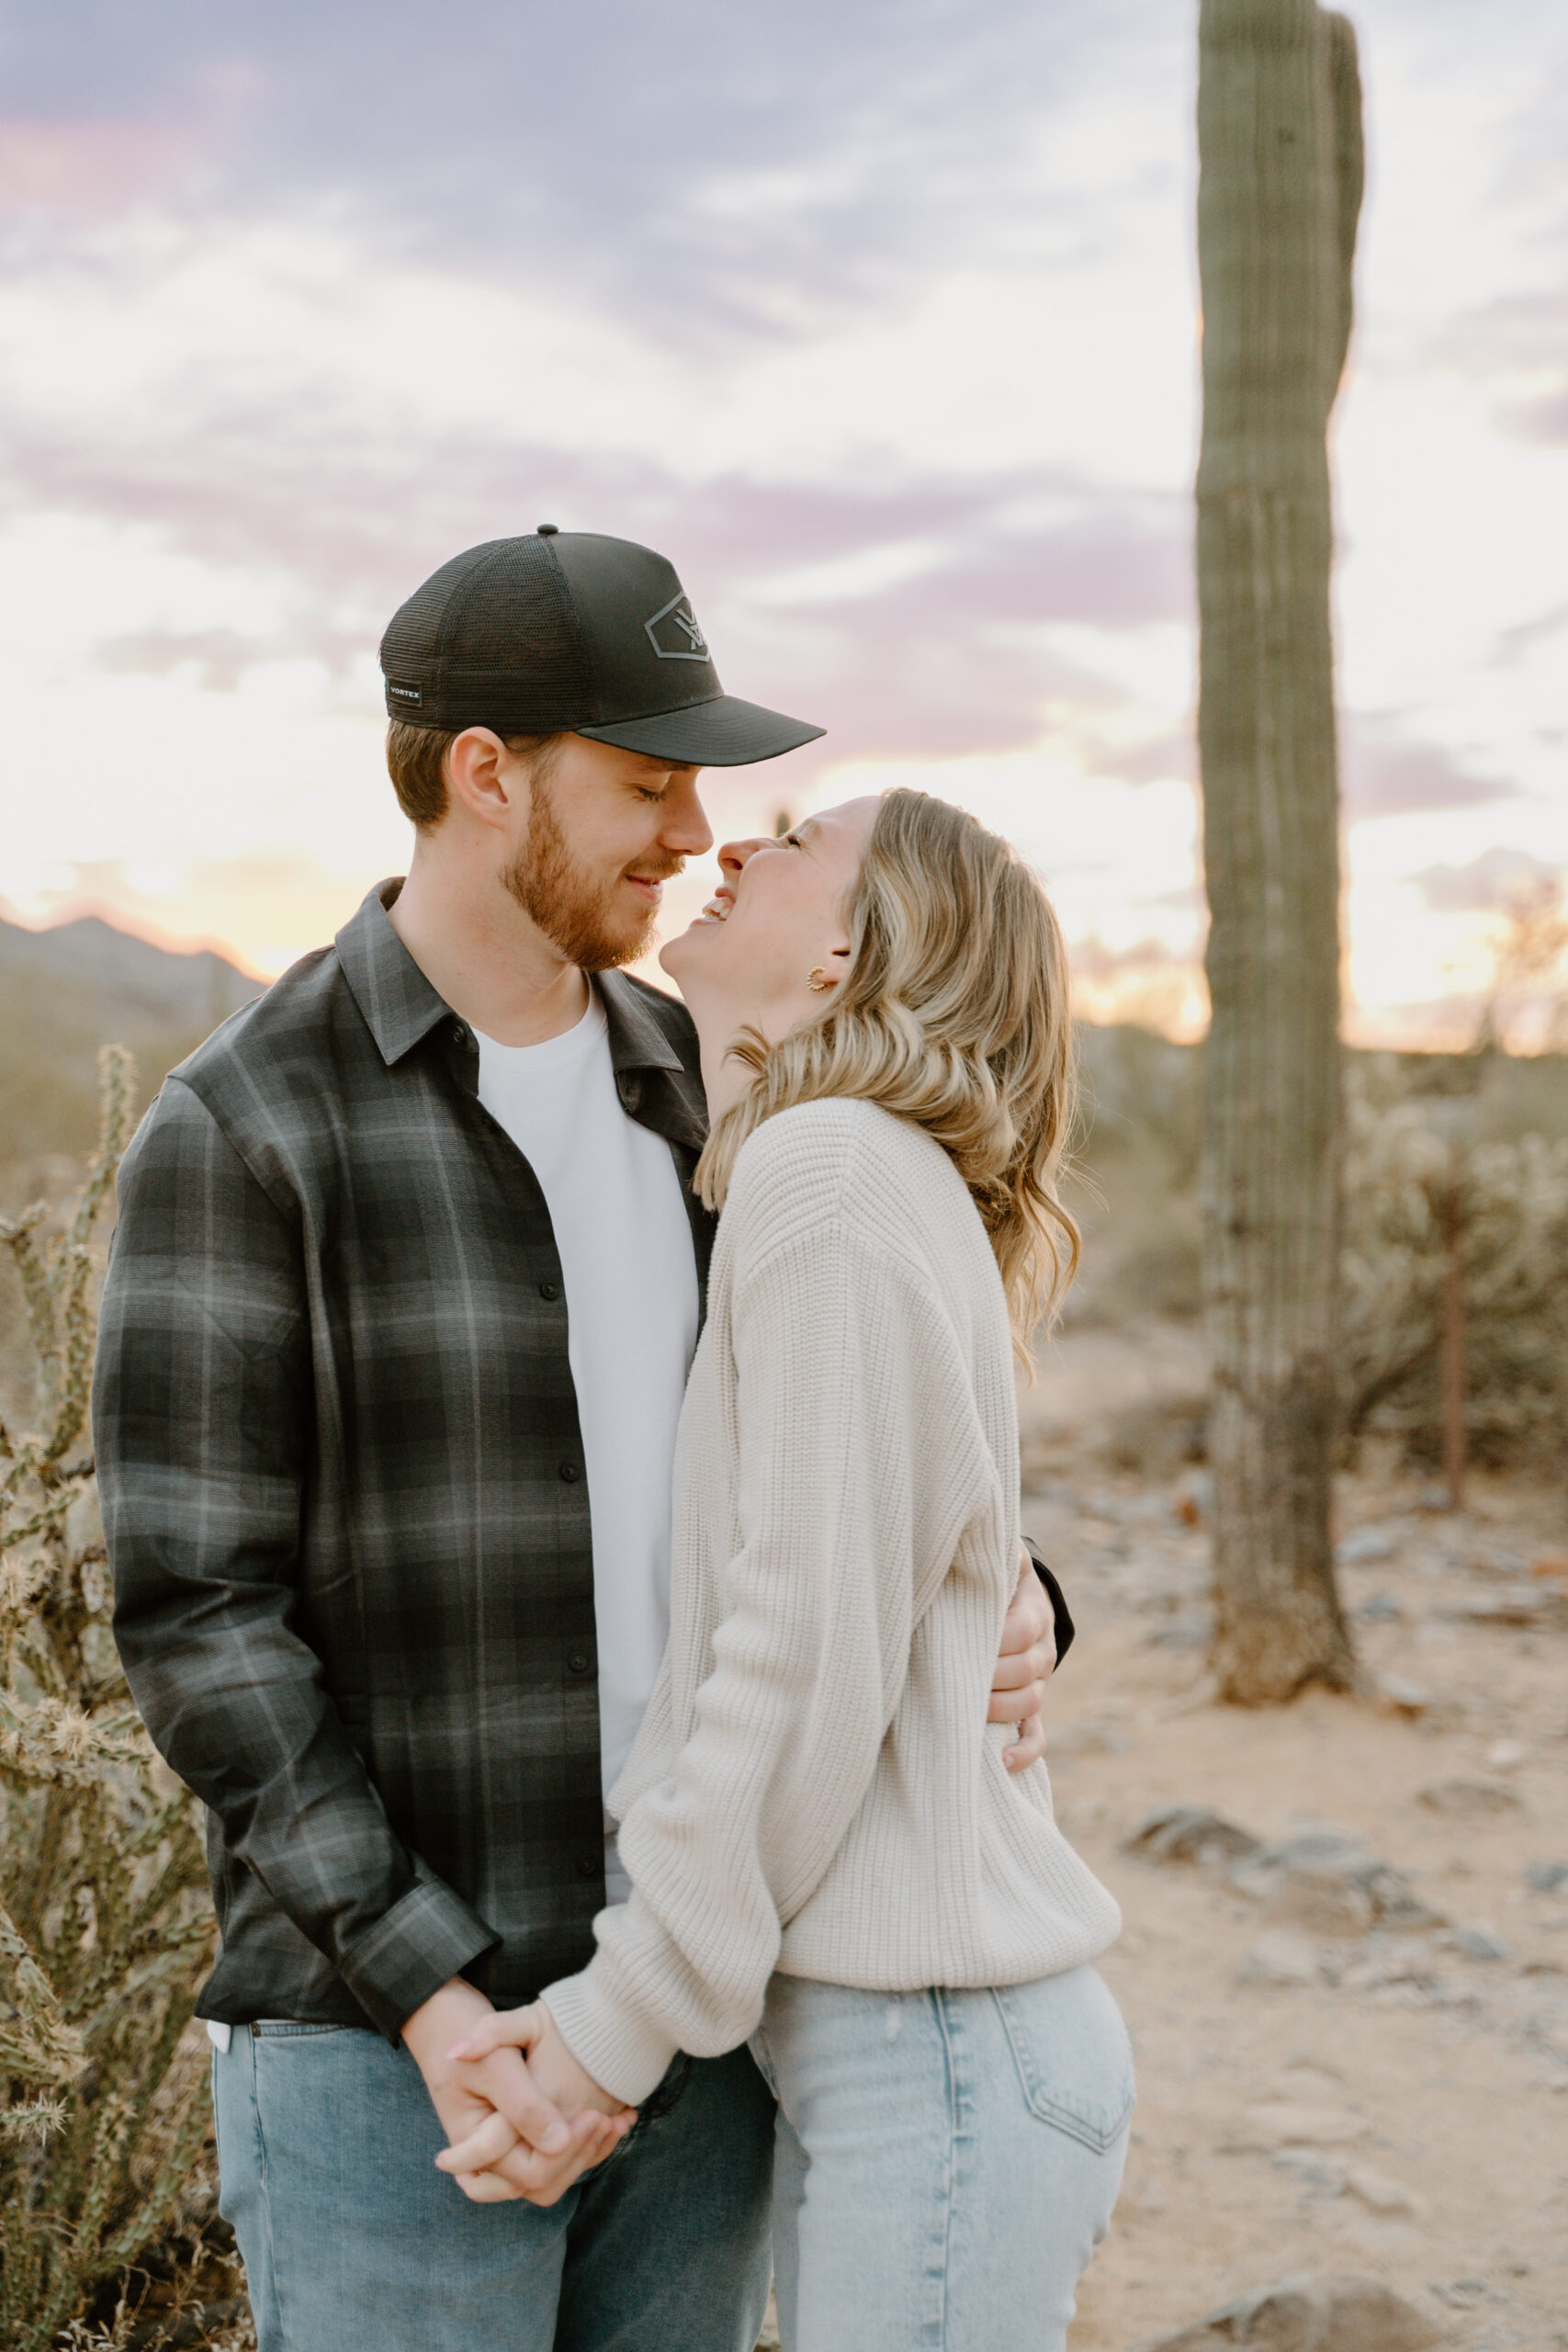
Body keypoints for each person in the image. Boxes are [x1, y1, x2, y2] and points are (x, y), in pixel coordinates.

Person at [92, 529, 1074, 2352]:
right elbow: (195, 1613)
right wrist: (440, 2001)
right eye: (643, 778)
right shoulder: (244, 1124)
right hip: (394, 2064)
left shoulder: (727, 1091)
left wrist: (1015, 1597)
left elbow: (852, 1453)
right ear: (484, 773)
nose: (692, 831)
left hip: (700, 2020)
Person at [445, 787, 1133, 2352]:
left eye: (793, 842)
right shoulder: (838, 1170)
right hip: (932, 2060)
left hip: (939, 2061)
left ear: (842, 958)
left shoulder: (824, 1173)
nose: (732, 851)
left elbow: (800, 1655)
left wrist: (606, 2039)